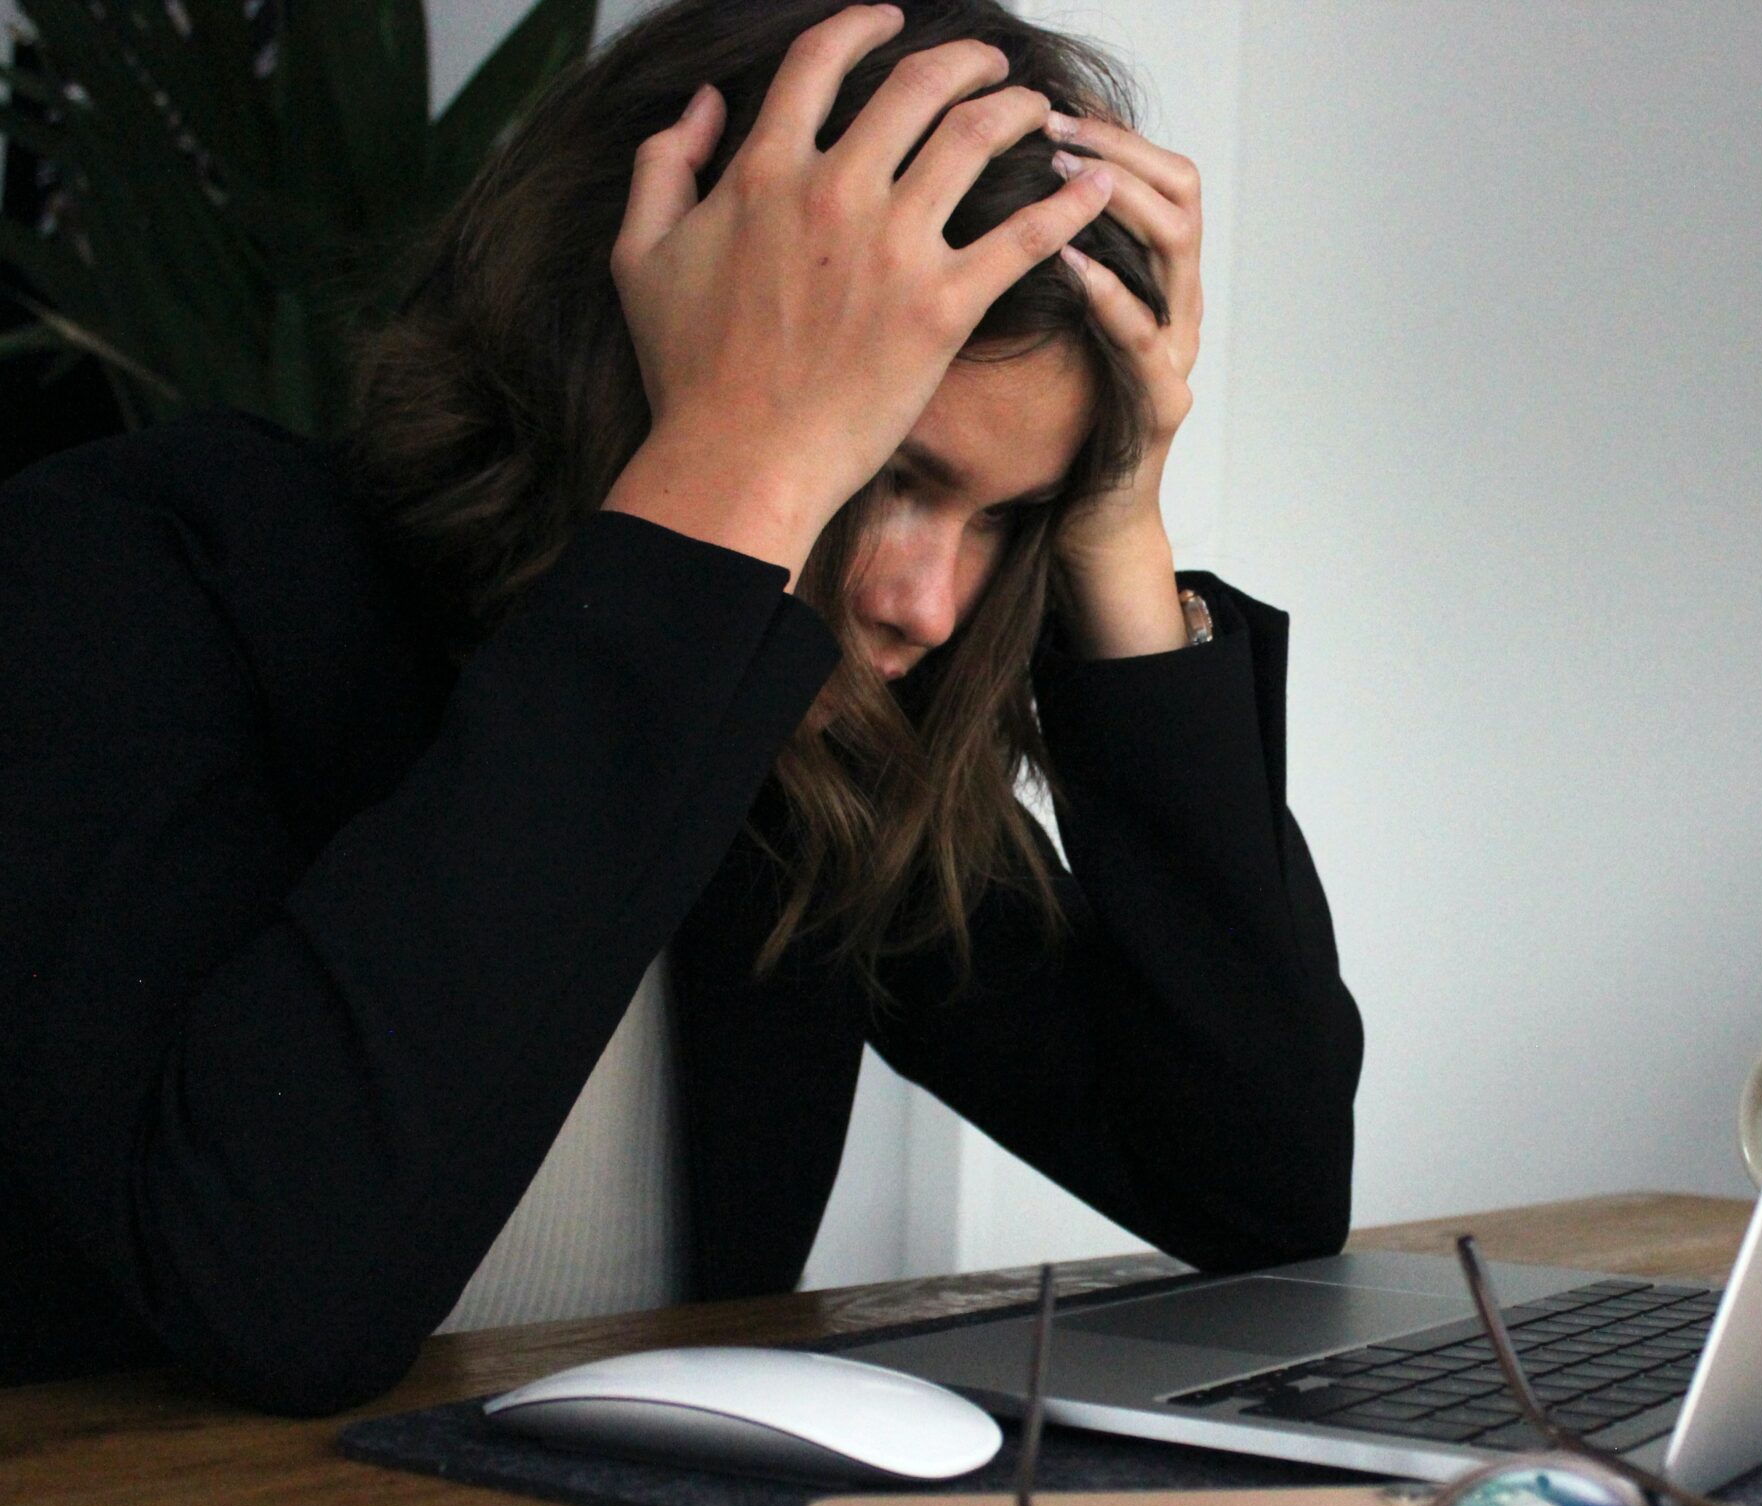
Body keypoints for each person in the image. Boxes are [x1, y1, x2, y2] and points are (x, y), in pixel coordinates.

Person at [0, 0, 1362, 1414]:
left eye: (1004, 520)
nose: (927, 606)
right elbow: (276, 1294)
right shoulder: (124, 573)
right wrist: (735, 471)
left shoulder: (806, 746)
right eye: (888, 470)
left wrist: (1115, 527)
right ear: (632, 332)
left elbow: (1256, 1185)